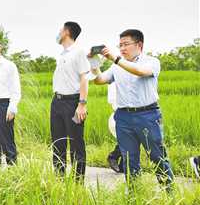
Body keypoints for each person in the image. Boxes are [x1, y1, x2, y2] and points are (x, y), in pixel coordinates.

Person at [92, 29, 174, 190]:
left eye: (126, 44)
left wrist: (116, 59)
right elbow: (99, 80)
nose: (122, 48)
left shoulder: (151, 62)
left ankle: (169, 193)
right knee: (129, 159)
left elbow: (140, 71)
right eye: (120, 45)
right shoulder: (116, 66)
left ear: (139, 45)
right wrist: (94, 64)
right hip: (123, 117)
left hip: (148, 115)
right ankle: (135, 195)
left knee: (157, 156)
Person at [51, 21, 89, 182]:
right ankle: (59, 180)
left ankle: (77, 183)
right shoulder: (62, 55)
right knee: (57, 142)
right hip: (57, 102)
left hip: (73, 103)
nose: (58, 33)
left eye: (60, 29)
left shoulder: (79, 52)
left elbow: (84, 78)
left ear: (66, 32)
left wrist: (82, 104)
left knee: (76, 144)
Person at [106, 82, 124, 173]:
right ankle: (113, 157)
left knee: (131, 141)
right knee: (127, 141)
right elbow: (112, 101)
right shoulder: (114, 80)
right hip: (119, 115)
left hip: (128, 114)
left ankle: (122, 165)